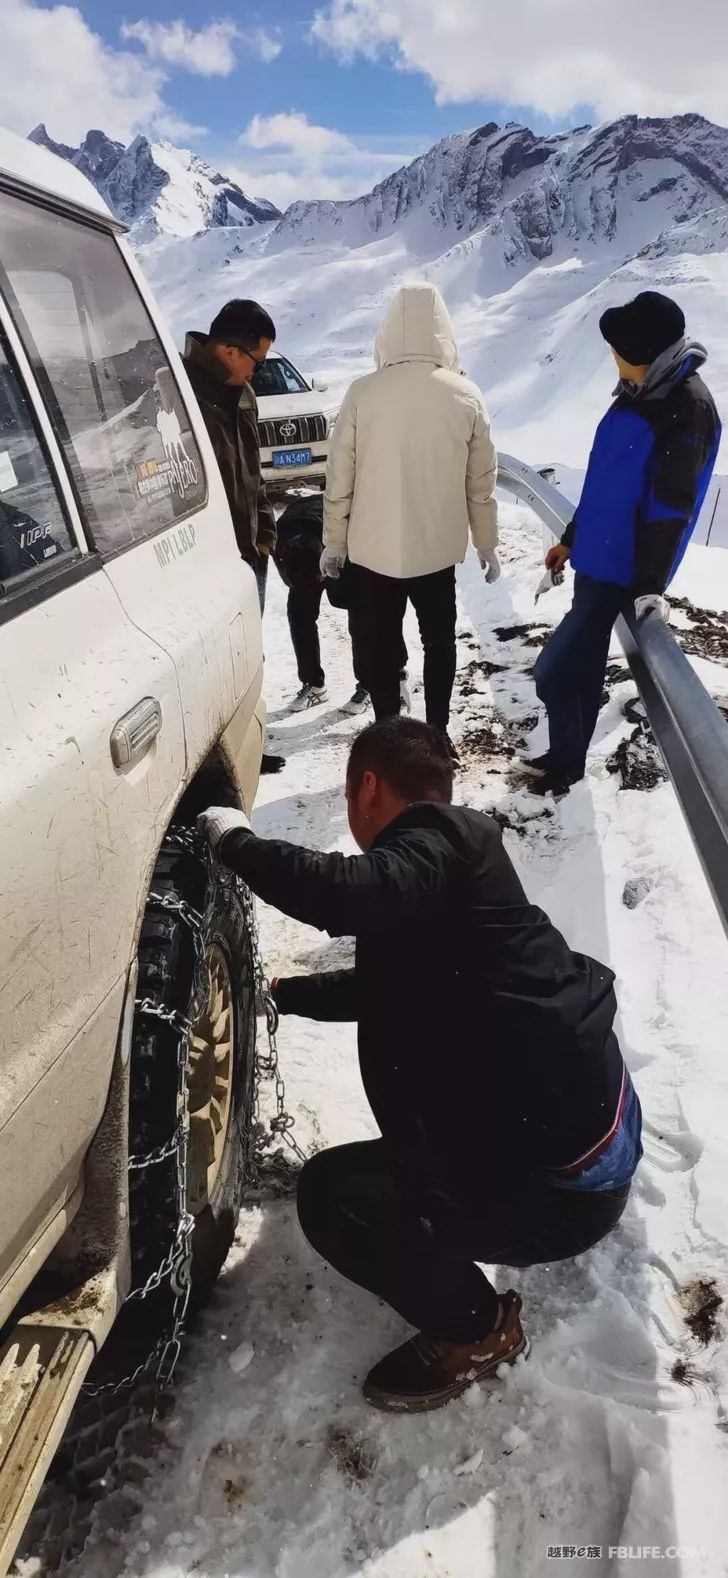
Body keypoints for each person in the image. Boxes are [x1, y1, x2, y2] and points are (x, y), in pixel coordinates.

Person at [198, 718, 642, 1414]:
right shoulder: (457, 877)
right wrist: (281, 996)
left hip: (562, 1191)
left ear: (367, 789)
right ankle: (463, 1221)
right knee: (364, 1181)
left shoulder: (438, 841)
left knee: (337, 1199)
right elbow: (387, 985)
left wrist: (235, 842)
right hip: (569, 1148)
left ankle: (482, 1333)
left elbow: (345, 894)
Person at [531, 290, 721, 797]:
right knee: (582, 669)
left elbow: (670, 507)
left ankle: (567, 759)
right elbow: (604, 484)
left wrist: (649, 585)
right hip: (595, 559)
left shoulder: (687, 407)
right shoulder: (639, 391)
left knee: (552, 672)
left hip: (623, 572)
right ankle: (566, 762)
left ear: (644, 352)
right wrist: (571, 540)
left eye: (618, 349)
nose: (612, 358)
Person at [322, 282, 501, 762]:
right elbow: (480, 480)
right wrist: (486, 542)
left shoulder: (362, 393)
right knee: (438, 640)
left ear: (388, 332)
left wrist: (334, 541)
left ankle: (386, 734)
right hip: (436, 552)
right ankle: (438, 734)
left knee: (380, 644)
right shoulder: (465, 394)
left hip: (372, 552)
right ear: (443, 329)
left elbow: (340, 476)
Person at [183, 299, 285, 774]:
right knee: (204, 669)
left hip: (250, 555)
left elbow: (254, 474)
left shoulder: (244, 396)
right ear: (228, 350)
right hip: (201, 565)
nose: (258, 373)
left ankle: (243, 747)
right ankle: (205, 766)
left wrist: (265, 533)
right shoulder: (178, 394)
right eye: (257, 361)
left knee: (246, 657)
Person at [274, 493, 409, 714]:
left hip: (341, 541)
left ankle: (370, 684)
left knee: (361, 614)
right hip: (305, 538)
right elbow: (296, 580)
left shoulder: (343, 533)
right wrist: (301, 586)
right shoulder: (281, 544)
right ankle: (314, 685)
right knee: (299, 614)